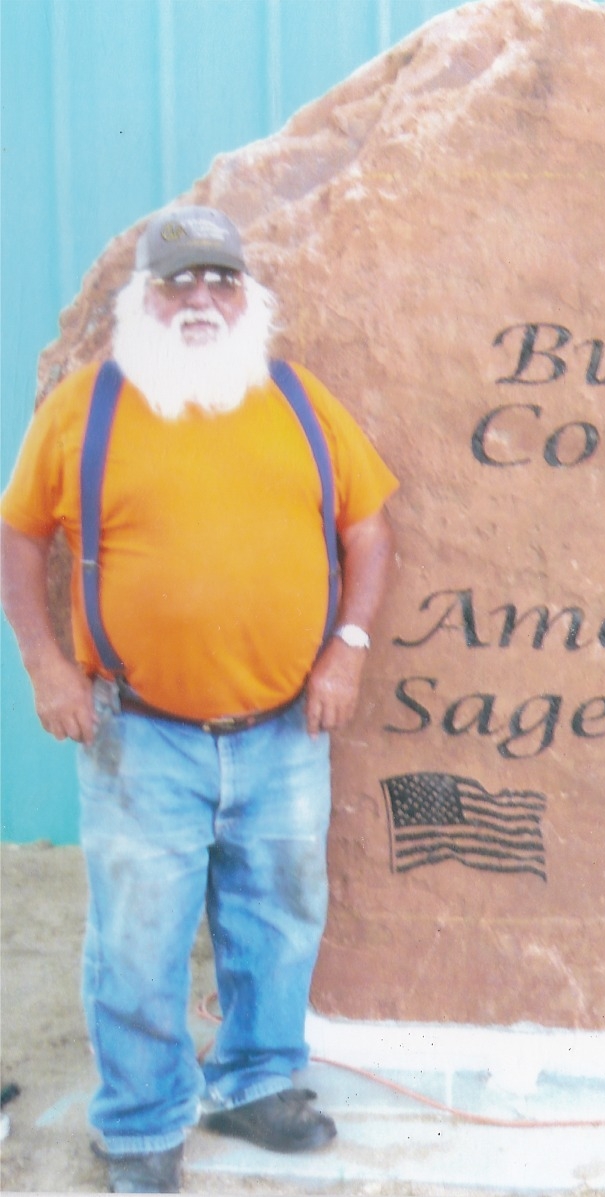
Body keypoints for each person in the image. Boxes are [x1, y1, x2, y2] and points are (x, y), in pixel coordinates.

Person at [1, 207, 398, 1193]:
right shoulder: (85, 410)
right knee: (137, 944)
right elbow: (19, 539)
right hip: (140, 738)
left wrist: (346, 653)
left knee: (279, 924)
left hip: (283, 733)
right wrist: (47, 667)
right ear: (142, 298)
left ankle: (257, 1086)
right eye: (178, 281)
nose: (201, 298)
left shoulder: (298, 401)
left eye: (220, 279)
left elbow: (370, 526)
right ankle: (139, 1126)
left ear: (248, 295)